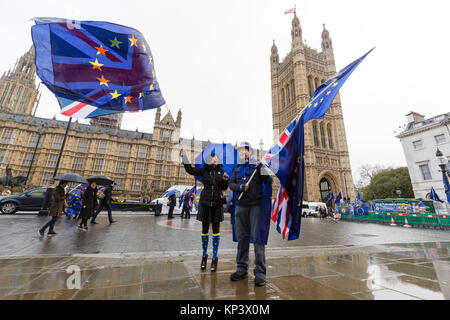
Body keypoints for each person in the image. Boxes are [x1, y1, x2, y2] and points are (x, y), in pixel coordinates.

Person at [229, 142, 272, 286]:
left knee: (257, 240)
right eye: (240, 151)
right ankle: (241, 268)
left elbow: (269, 181)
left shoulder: (257, 166)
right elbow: (231, 185)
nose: (242, 153)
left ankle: (260, 272)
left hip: (255, 207)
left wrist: (263, 168)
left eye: (245, 150)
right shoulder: (237, 168)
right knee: (242, 239)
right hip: (240, 207)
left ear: (250, 152)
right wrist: (241, 187)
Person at [181, 149, 229, 272]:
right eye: (213, 158)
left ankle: (215, 257)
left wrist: (225, 180)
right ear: (209, 160)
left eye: (216, 158)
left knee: (216, 231)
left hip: (217, 204)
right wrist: (185, 156)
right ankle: (204, 255)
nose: (215, 160)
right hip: (205, 203)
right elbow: (190, 170)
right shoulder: (204, 171)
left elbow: (224, 187)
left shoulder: (222, 172)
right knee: (205, 230)